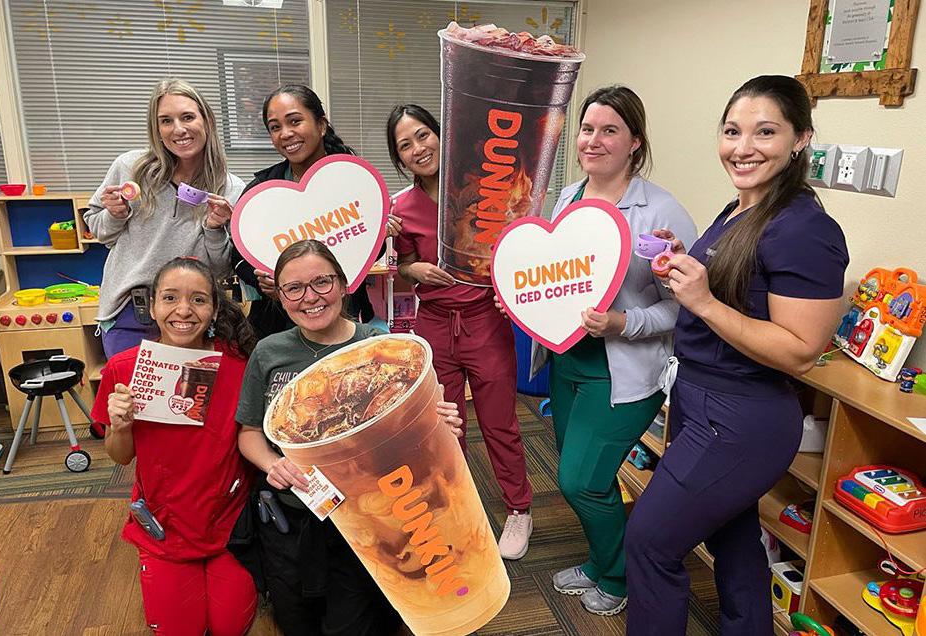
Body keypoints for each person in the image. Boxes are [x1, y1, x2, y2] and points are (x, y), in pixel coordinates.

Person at [625, 76, 849, 635]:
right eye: (732, 131)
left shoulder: (805, 229)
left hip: (740, 417)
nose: (743, 147)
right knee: (733, 535)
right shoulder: (740, 209)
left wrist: (702, 301)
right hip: (700, 398)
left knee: (650, 542)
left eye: (765, 132)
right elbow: (736, 288)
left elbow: (801, 352)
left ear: (801, 139)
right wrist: (683, 263)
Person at [235, 239, 465, 636]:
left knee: (355, 624)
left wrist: (439, 426)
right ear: (281, 296)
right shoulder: (269, 352)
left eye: (322, 282)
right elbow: (250, 433)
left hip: (366, 519)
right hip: (292, 517)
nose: (310, 298)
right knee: (296, 623)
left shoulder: (382, 348)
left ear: (344, 285)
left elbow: (414, 435)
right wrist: (274, 464)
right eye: (294, 288)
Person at [525, 86, 697, 616]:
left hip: (622, 371)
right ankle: (600, 562)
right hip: (566, 363)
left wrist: (624, 322)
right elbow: (557, 277)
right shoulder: (569, 197)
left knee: (581, 480)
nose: (593, 141)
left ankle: (621, 576)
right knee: (582, 477)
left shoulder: (661, 211)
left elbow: (684, 309)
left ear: (635, 141)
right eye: (587, 129)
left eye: (609, 131)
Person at [386, 104, 535, 560]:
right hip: (434, 324)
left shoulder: (485, 190)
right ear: (398, 157)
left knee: (499, 423)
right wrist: (412, 267)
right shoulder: (400, 208)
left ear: (441, 134)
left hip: (484, 322)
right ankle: (458, 508)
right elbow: (403, 267)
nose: (417, 149)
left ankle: (519, 509)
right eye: (405, 145)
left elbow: (517, 247)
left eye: (423, 135)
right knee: (443, 427)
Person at [93, 257, 258, 635]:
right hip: (165, 528)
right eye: (170, 298)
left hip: (230, 524)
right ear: (151, 307)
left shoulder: (240, 365)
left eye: (198, 299)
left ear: (213, 309)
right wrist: (121, 426)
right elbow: (121, 456)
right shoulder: (124, 368)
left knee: (230, 627)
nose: (183, 310)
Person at [85, 78, 244, 359]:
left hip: (191, 318)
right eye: (166, 121)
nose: (178, 129)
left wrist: (214, 229)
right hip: (130, 316)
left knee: (191, 390)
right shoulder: (130, 168)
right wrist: (115, 214)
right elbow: (100, 230)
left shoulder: (230, 188)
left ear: (207, 121)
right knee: (130, 389)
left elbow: (220, 269)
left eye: (188, 117)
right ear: (156, 129)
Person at [231, 84, 391, 340]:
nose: (286, 133)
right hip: (279, 328)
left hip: (343, 320)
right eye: (275, 127)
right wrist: (262, 281)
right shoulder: (261, 192)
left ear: (321, 125)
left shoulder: (354, 181)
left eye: (295, 121)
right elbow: (238, 257)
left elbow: (369, 249)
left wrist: (383, 232)